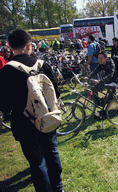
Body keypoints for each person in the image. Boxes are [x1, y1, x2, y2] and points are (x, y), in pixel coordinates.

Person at [0, 29, 63, 192]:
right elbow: (56, 92)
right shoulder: (43, 66)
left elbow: (4, 106)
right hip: (48, 119)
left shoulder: (7, 71)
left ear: (10, 47)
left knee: (37, 163)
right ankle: (58, 188)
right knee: (52, 154)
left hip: (24, 125)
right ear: (29, 45)